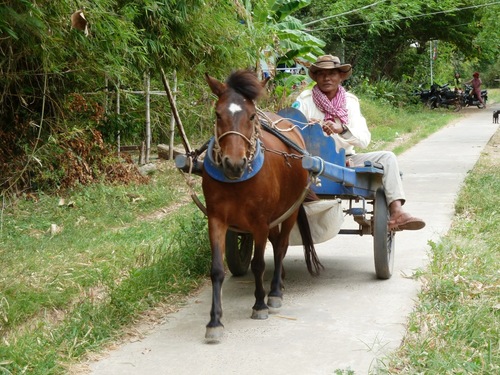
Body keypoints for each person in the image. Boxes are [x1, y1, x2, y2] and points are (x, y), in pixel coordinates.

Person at [292, 54, 425, 231]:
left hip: (347, 161)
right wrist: (310, 126)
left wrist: (343, 129)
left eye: (332, 73)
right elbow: (291, 127)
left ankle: (397, 212)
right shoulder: (304, 100)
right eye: (322, 74)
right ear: (315, 77)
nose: (326, 78)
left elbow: (364, 139)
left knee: (388, 158)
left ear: (341, 76)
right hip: (309, 162)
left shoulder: (351, 102)